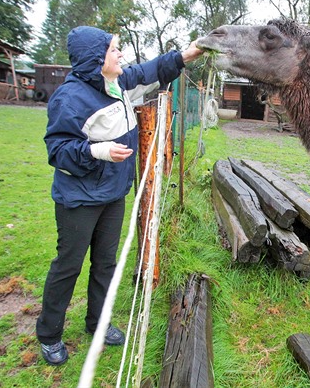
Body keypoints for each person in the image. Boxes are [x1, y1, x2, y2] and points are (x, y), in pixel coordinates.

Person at [36, 26, 203, 366]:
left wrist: (187, 54)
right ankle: (49, 334)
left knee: (106, 263)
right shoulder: (70, 98)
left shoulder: (117, 83)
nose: (121, 55)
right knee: (68, 266)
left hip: (112, 193)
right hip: (79, 199)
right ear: (97, 59)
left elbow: (149, 70)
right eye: (115, 50)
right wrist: (97, 151)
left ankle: (98, 323)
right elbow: (58, 149)